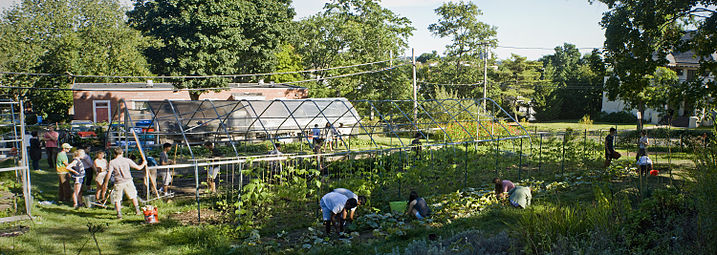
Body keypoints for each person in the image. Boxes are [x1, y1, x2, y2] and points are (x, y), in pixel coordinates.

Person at [107, 147, 147, 219]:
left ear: (114, 154)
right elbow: (138, 168)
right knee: (133, 196)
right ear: (122, 153)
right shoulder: (127, 160)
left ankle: (119, 214)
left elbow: (109, 173)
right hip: (128, 181)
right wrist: (144, 163)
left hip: (118, 182)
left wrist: (106, 182)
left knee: (117, 199)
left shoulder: (112, 162)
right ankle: (137, 210)